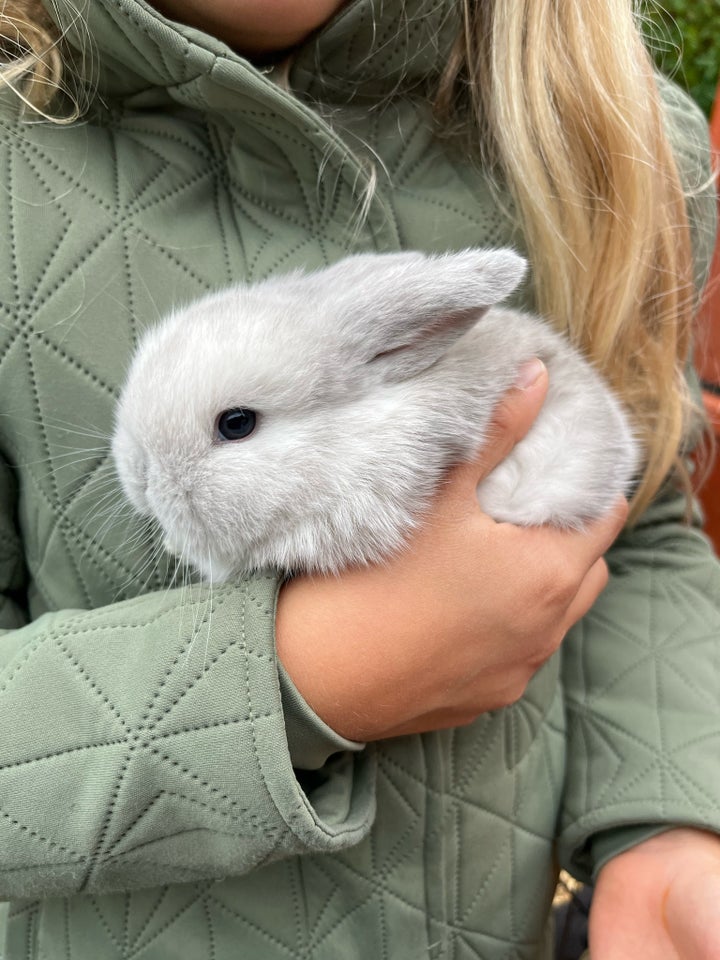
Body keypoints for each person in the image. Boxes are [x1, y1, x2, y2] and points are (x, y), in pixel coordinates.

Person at [0, 1, 719, 958]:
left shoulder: (606, 129)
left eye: (241, 426)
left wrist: (666, 819)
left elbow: (639, 521)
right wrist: (294, 676)